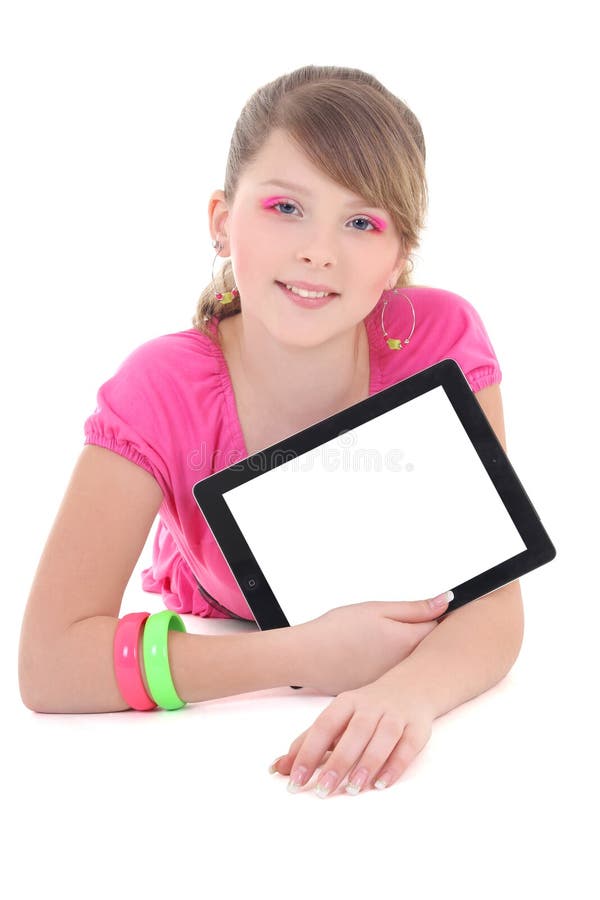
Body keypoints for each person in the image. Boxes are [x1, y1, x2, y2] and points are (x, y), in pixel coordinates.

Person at [18, 64, 523, 799]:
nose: (319, 250)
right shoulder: (159, 389)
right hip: (223, 602)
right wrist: (300, 656)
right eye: (286, 207)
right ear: (222, 220)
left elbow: (493, 594)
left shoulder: (436, 338)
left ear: (399, 258)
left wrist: (406, 695)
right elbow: (47, 662)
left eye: (361, 222)